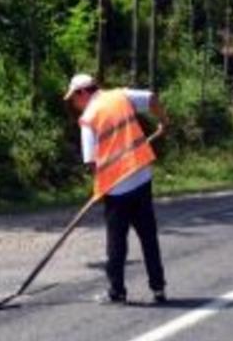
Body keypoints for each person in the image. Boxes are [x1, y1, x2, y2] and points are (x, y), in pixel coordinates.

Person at [64, 73, 169, 304]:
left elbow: (91, 162)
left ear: (83, 92)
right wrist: (163, 121)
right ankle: (158, 288)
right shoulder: (121, 96)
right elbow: (151, 98)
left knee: (116, 242)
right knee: (148, 236)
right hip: (141, 177)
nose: (74, 103)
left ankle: (117, 291)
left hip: (116, 189)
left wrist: (99, 188)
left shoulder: (89, 118)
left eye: (74, 98)